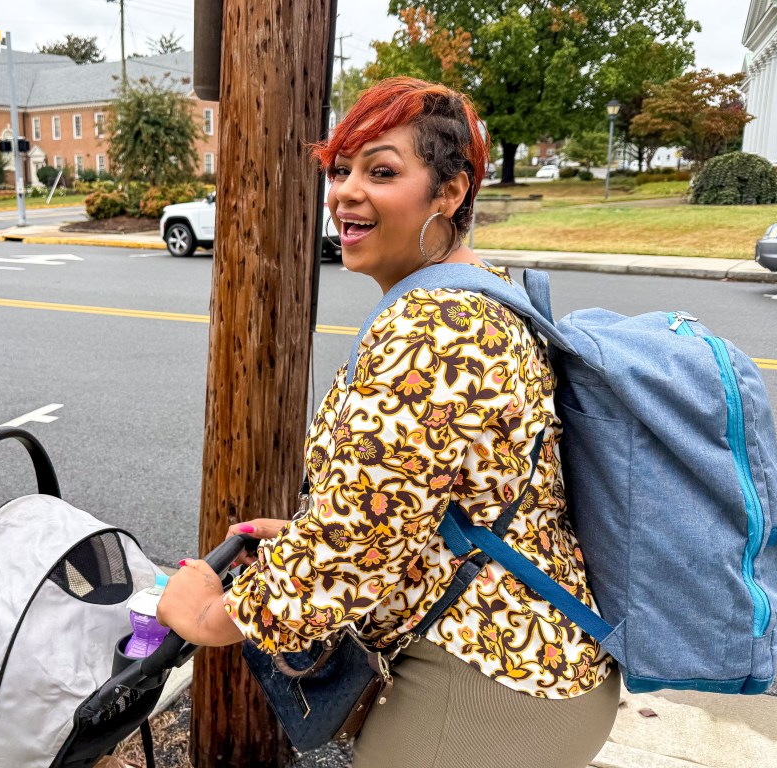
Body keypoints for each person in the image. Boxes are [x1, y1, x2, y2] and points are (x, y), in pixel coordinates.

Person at [157, 77, 620, 767]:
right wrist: (325, 529)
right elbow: (435, 499)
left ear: (451, 192)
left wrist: (210, 616)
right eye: (341, 170)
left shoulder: (432, 329)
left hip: (490, 683)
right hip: (536, 655)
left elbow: (353, 544)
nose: (345, 192)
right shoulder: (480, 299)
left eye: (381, 171)